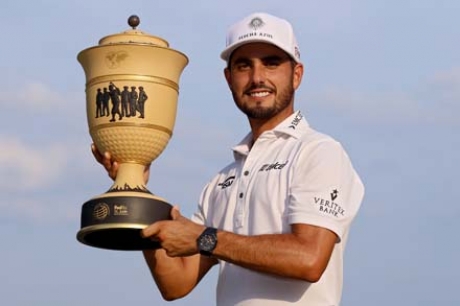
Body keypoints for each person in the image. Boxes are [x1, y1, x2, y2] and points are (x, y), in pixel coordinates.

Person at [92, 12, 364, 306]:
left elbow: (308, 259)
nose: (257, 77)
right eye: (243, 65)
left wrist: (203, 238)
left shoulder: (319, 152)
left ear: (296, 74)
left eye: (271, 63)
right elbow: (176, 283)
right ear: (228, 78)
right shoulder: (222, 181)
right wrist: (138, 195)